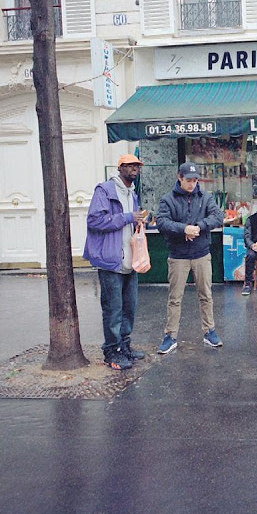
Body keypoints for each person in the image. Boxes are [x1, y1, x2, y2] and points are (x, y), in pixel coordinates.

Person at [83, 154, 150, 370]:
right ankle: (111, 352)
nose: (134, 169)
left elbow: (130, 223)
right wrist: (128, 217)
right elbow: (94, 221)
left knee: (129, 308)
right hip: (111, 260)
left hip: (131, 261)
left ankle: (125, 347)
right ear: (120, 168)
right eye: (129, 166)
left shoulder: (133, 194)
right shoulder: (105, 190)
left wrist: (139, 222)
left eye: (137, 166)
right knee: (113, 310)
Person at [156, 161, 226, 354]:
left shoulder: (205, 197)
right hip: (178, 256)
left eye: (195, 180)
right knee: (175, 298)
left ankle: (209, 331)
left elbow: (218, 216)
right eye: (188, 180)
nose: (192, 183)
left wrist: (198, 227)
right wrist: (183, 229)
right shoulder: (168, 199)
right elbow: (162, 222)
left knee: (206, 295)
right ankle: (170, 336)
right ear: (179, 178)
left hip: (201, 253)